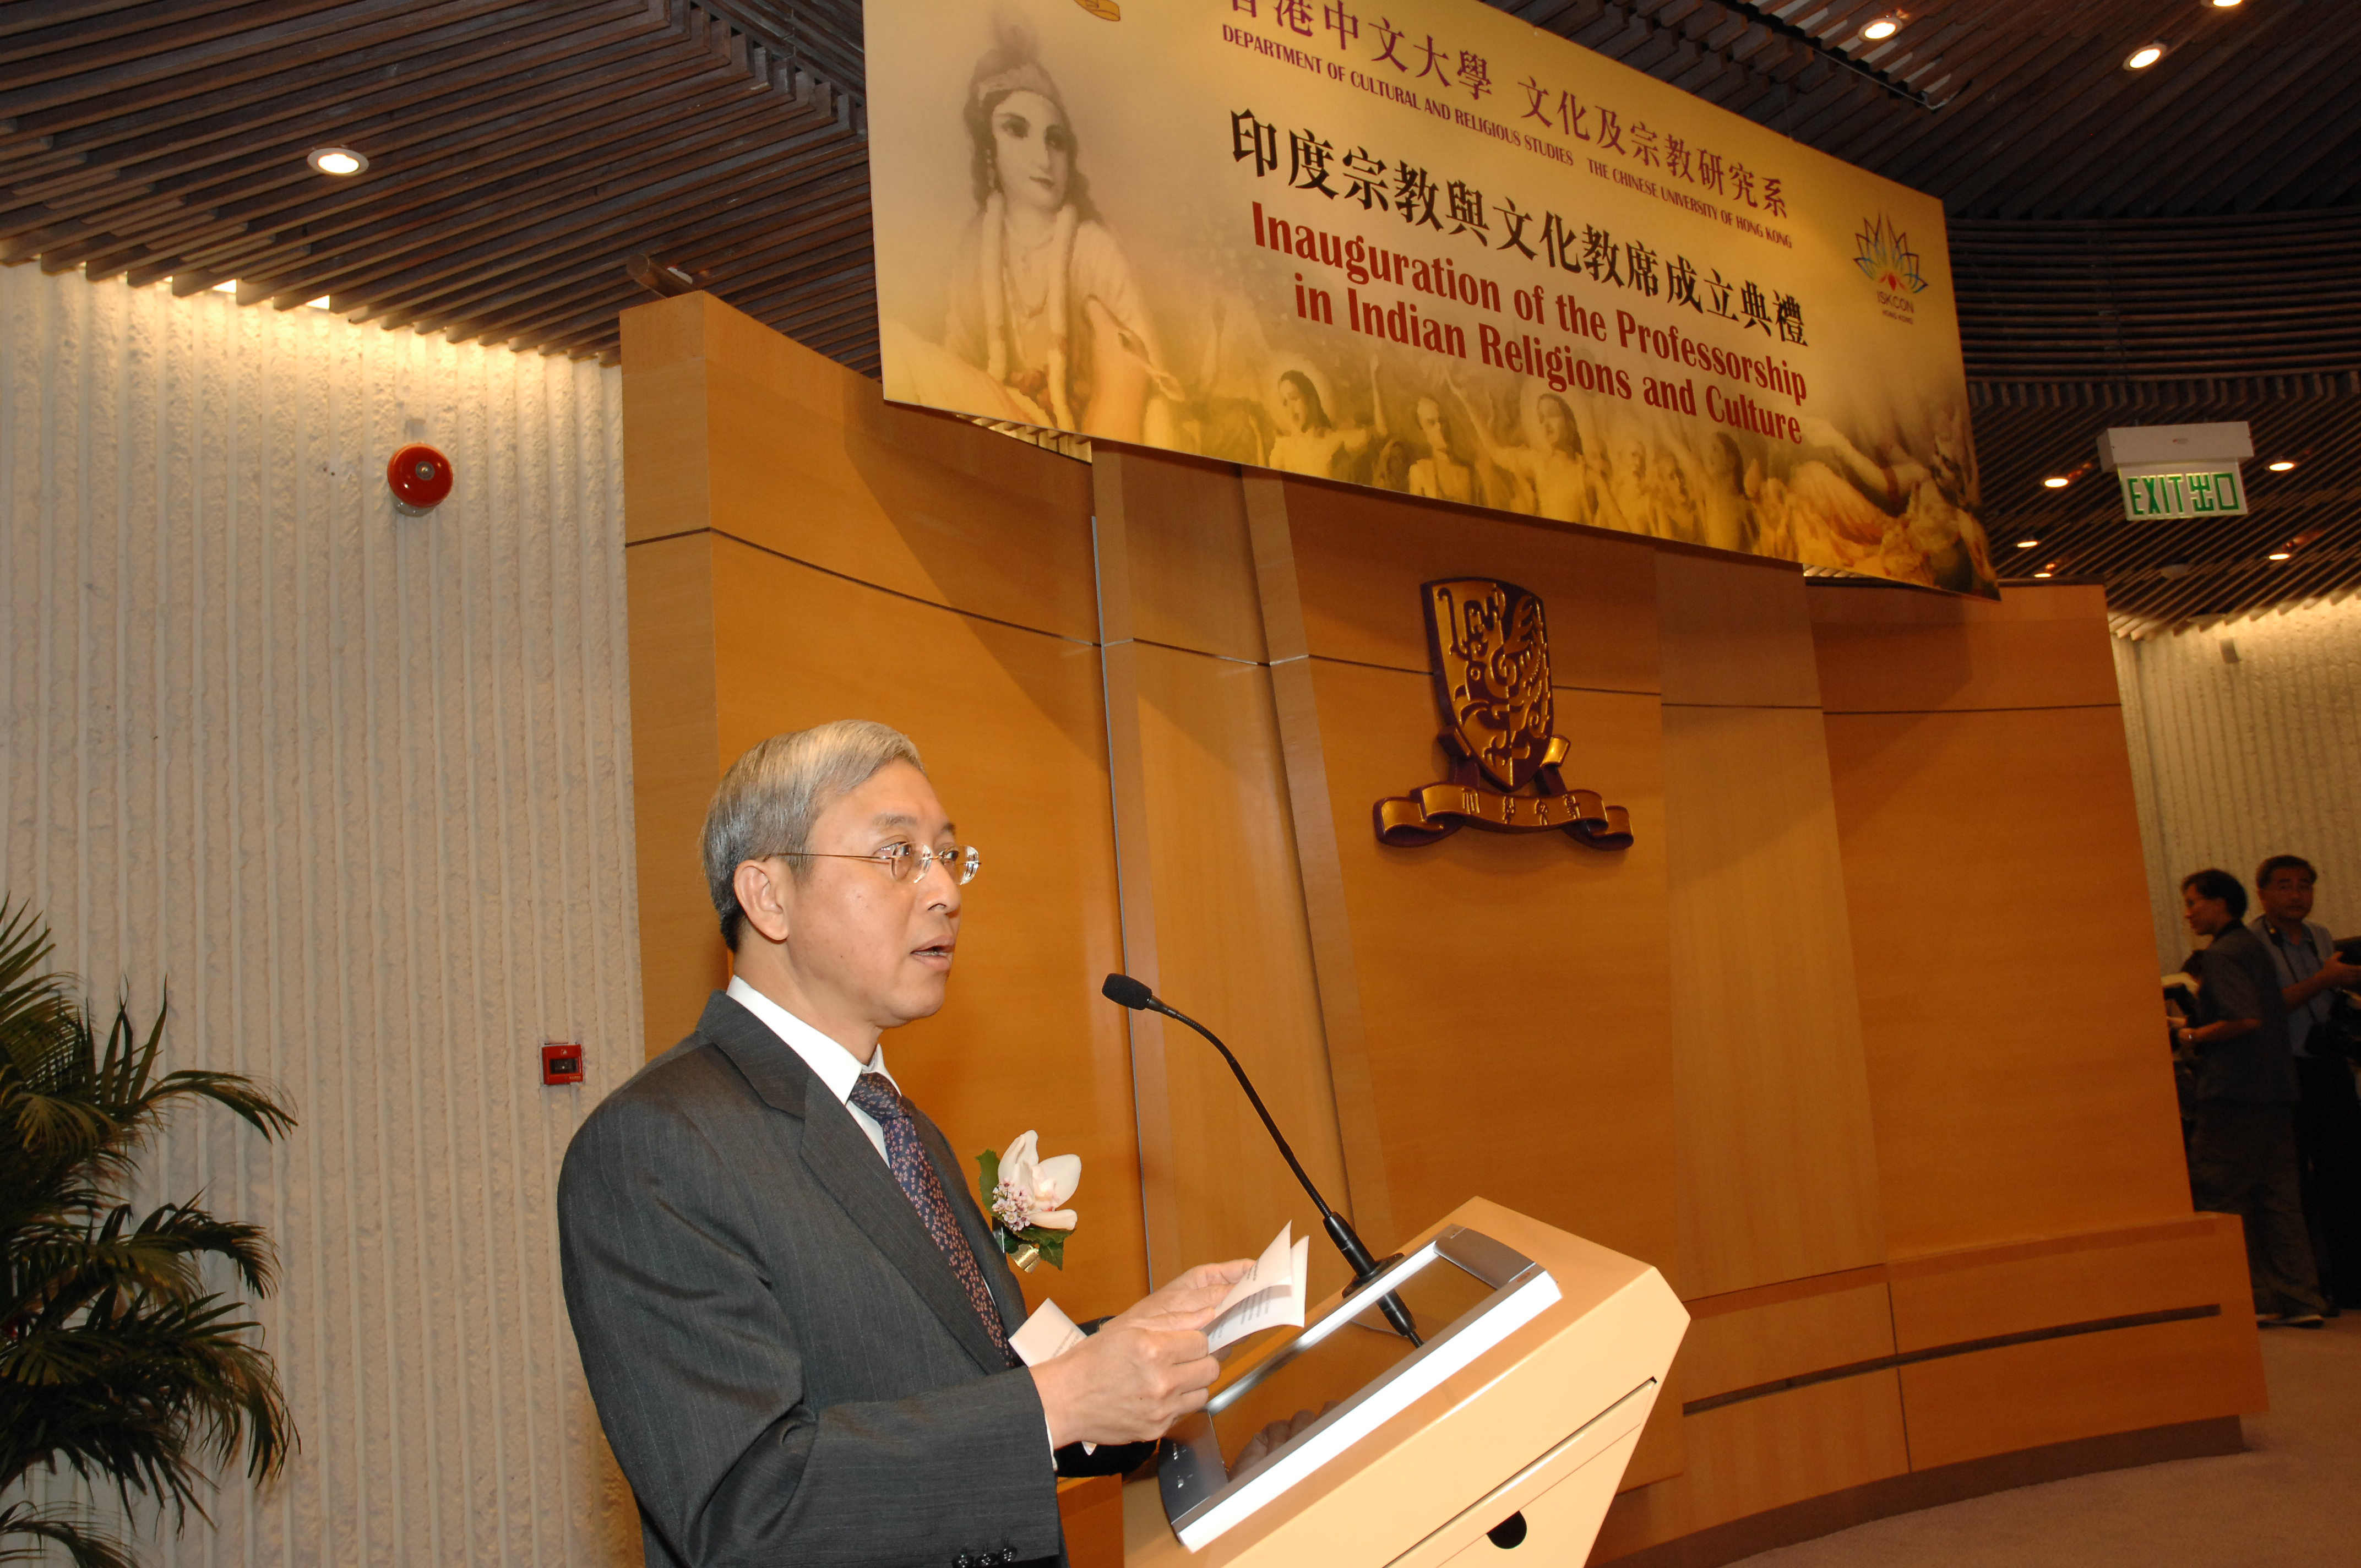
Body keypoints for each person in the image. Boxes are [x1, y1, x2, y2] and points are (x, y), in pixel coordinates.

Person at [559, 722, 1250, 1566]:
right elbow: (745, 1511)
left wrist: (1128, 1353)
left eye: (950, 856)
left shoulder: (899, 1123)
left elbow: (972, 1387)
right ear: (768, 896)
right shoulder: (657, 1146)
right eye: (898, 856)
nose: (946, 892)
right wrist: (1061, 1400)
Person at [883, 35, 1178, 440]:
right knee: (898, 350)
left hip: (1084, 442)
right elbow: (960, 359)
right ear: (990, 147)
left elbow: (1153, 387)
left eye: (1054, 140)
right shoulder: (977, 241)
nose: (1043, 158)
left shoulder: (1093, 249)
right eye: (1016, 131)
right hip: (1003, 422)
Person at [2175, 868, 2327, 1327]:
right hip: (2276, 1089)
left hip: (2235, 1091)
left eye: (2193, 902)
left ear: (2219, 904)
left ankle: (2249, 1297)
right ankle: (2301, 1298)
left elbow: (2245, 1019)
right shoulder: (2256, 948)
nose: (2188, 913)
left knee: (2222, 1191)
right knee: (2279, 1195)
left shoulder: (2222, 955)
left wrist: (2194, 1032)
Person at [2252, 854, 2361, 1311]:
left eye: (2304, 886)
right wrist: (2324, 980)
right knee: (2292, 1184)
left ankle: (2353, 1284)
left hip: (2329, 1067)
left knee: (2348, 1177)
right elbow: (2262, 1012)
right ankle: (2302, 1286)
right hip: (2283, 1074)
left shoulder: (2320, 937)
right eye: (2284, 886)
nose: (2296, 895)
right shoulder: (2252, 945)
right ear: (2262, 893)